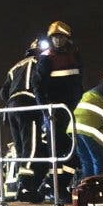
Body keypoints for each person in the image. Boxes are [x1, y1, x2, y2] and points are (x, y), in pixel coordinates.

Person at [31, 21, 83, 195]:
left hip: (72, 110)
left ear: (67, 38)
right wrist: (46, 111)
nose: (58, 41)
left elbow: (79, 83)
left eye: (61, 37)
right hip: (55, 112)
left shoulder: (75, 56)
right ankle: (53, 186)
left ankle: (60, 185)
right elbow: (38, 87)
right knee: (58, 150)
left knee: (72, 151)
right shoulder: (46, 58)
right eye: (54, 38)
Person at [0, 41, 45, 202]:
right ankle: (26, 186)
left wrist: (14, 99)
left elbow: (3, 92)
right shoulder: (39, 62)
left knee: (20, 149)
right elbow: (42, 85)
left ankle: (22, 184)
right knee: (31, 147)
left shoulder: (15, 67)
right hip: (28, 106)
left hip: (11, 108)